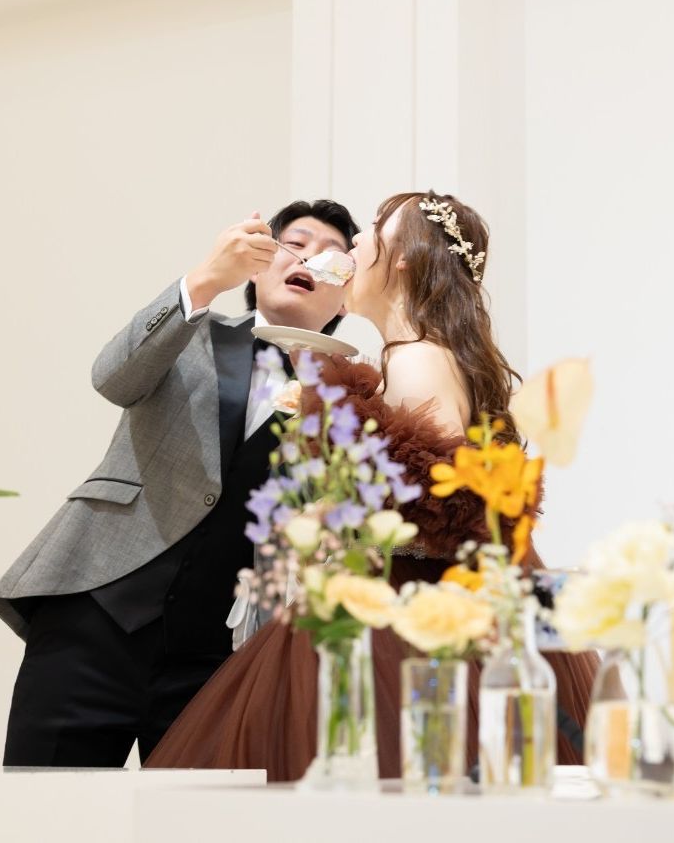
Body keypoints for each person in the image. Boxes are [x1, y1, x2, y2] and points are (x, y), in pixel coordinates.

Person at [144, 191, 601, 780]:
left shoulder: (416, 359)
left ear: (403, 256)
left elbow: (441, 510)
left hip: (405, 617)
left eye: (374, 229)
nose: (357, 242)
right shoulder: (414, 356)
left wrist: (332, 529)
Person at [0, 199, 359, 767]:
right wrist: (206, 278)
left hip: (218, 661)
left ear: (345, 297)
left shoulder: (350, 401)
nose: (310, 259)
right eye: (295, 243)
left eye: (332, 256)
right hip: (95, 616)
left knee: (196, 812)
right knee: (46, 805)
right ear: (259, 265)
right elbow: (112, 378)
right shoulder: (194, 330)